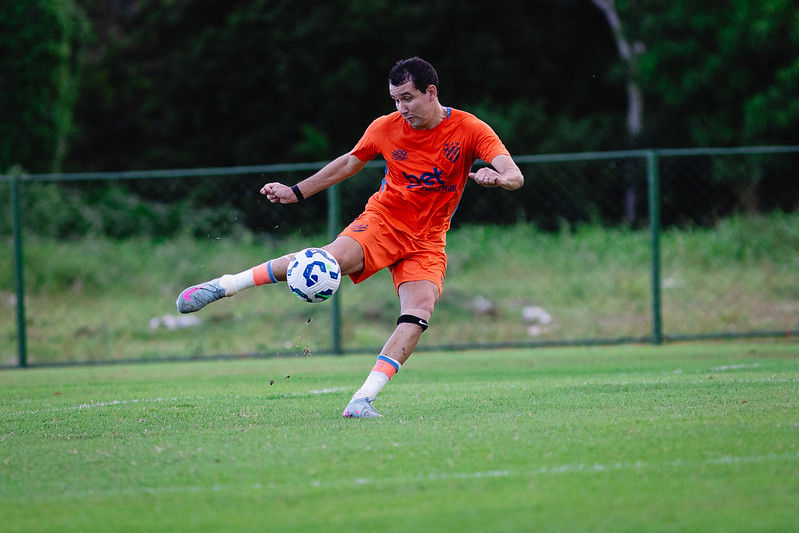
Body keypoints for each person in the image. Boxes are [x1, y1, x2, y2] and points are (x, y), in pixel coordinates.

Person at [177, 57, 524, 418]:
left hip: (428, 240)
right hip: (384, 222)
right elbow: (347, 163)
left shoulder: (470, 129)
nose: (401, 108)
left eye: (407, 98)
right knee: (324, 261)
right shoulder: (385, 127)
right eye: (395, 100)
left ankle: (362, 400)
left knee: (419, 313)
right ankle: (224, 285)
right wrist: (296, 192)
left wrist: (497, 179)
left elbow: (515, 175)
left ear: (431, 92)